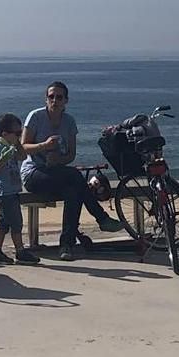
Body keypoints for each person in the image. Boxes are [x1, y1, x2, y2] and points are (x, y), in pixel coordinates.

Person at [21, 82, 122, 260]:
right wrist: (43, 146)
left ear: (66, 100)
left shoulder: (69, 122)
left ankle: (66, 245)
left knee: (73, 191)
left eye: (59, 97)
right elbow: (22, 148)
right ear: (46, 99)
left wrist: (59, 159)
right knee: (75, 176)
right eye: (51, 97)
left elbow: (70, 155)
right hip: (34, 173)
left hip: (58, 174)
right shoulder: (35, 117)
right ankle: (101, 218)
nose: (55, 100)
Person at [0, 114, 39, 265]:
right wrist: (4, 157)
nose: (19, 136)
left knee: (3, 224)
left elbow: (22, 157)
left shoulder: (10, 146)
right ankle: (20, 250)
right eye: (16, 133)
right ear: (5, 134)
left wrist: (17, 144)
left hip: (12, 191)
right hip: (5, 193)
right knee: (16, 223)